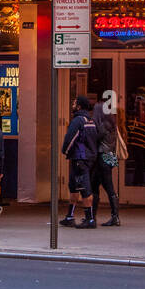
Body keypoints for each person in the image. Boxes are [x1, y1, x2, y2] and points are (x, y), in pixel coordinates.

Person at [60, 95, 100, 228]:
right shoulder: (91, 121)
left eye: (74, 103)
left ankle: (90, 219)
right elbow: (96, 140)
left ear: (79, 106)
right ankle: (70, 216)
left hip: (79, 158)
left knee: (84, 188)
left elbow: (70, 139)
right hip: (88, 158)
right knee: (74, 187)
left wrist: (65, 151)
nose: (72, 105)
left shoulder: (78, 121)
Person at [91, 96, 123, 227]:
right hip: (110, 155)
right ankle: (112, 216)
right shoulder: (112, 124)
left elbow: (95, 139)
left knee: (100, 186)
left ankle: (94, 215)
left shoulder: (102, 126)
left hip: (102, 156)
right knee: (106, 185)